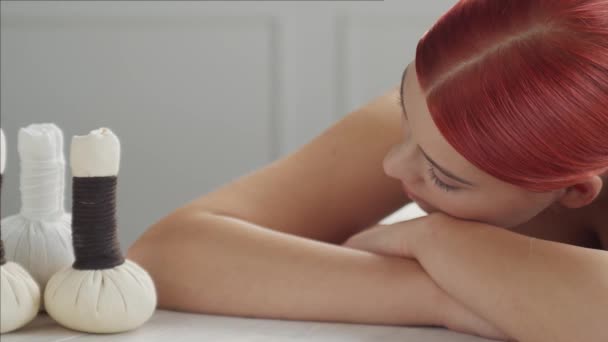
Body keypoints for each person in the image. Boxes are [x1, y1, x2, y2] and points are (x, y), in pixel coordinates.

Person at [127, 1, 608, 341]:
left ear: (574, 189)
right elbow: (169, 253)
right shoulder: (446, 113)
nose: (392, 164)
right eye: (403, 113)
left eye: (444, 178)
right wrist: (446, 292)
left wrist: (442, 244)